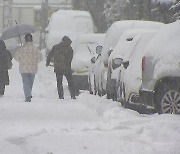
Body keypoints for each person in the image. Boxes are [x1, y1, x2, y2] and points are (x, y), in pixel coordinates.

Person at [14, 33, 43, 102]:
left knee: (25, 83)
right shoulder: (35, 49)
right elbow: (40, 57)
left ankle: (27, 95)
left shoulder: (22, 49)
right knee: (30, 83)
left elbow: (16, 57)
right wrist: (35, 61)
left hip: (24, 68)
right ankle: (28, 94)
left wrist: (21, 61)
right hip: (33, 68)